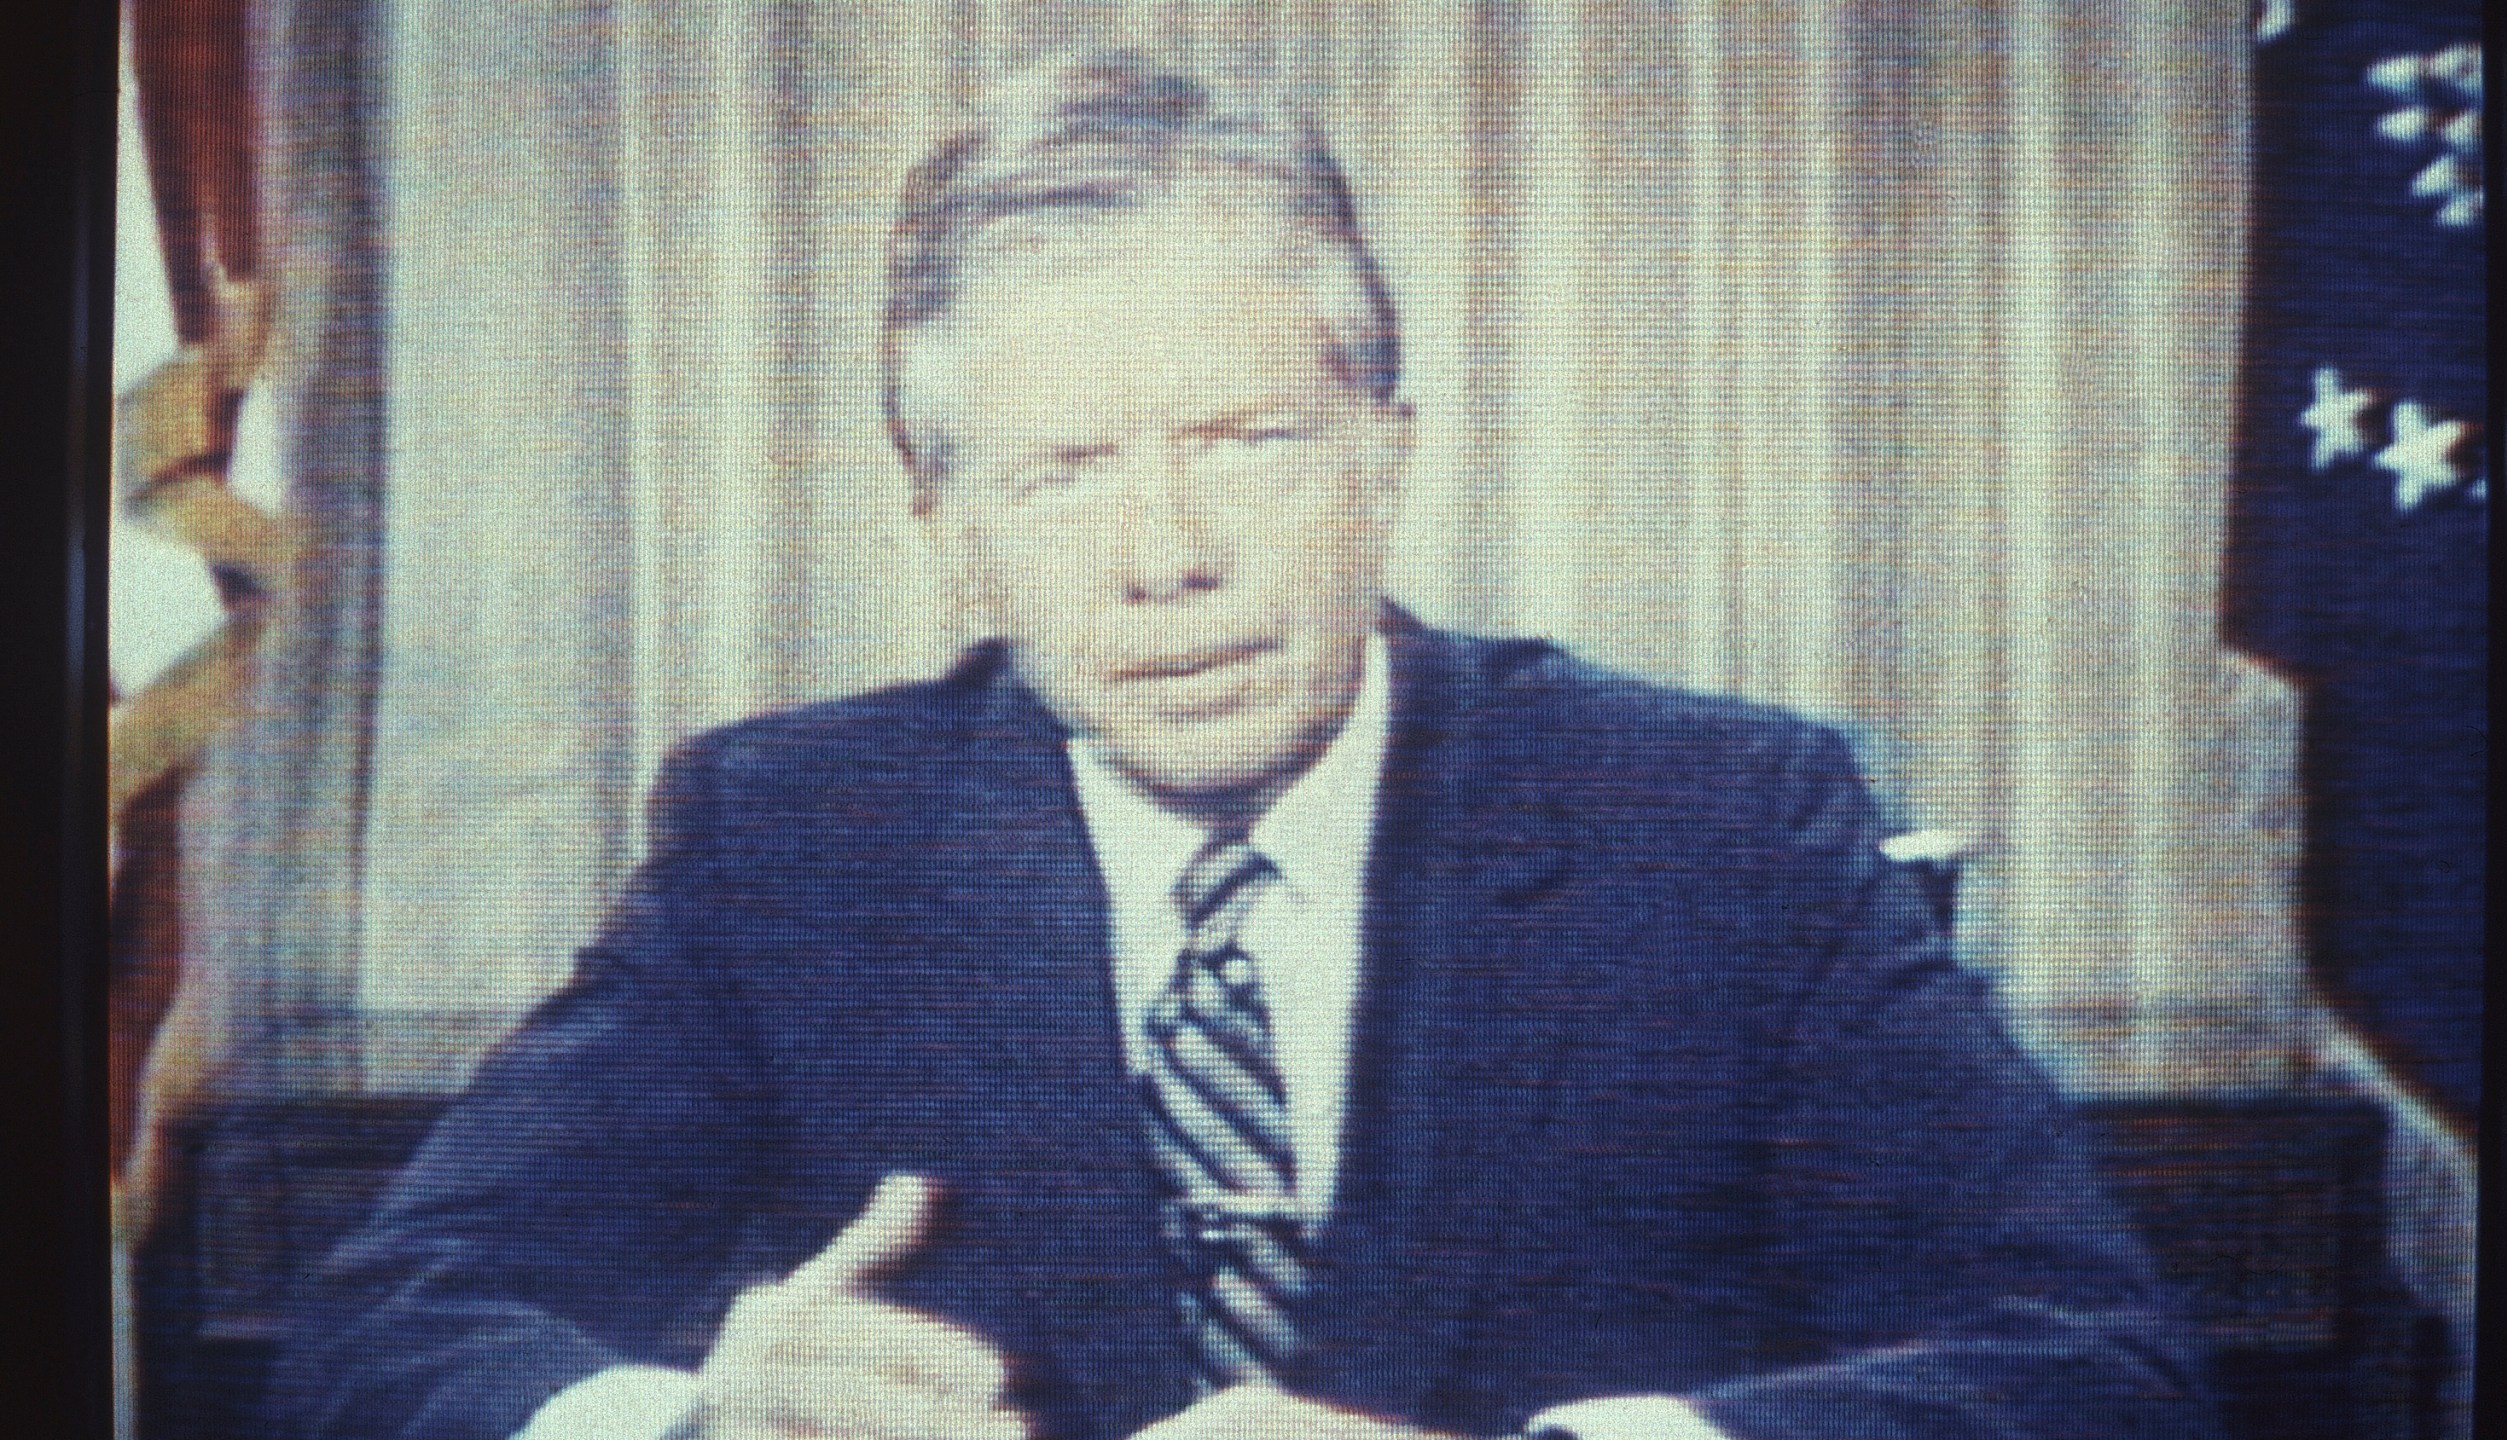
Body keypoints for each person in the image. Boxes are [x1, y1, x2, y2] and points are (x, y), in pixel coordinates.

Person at [272, 50, 2216, 1440]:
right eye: (1060, 475)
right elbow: (378, 1340)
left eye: (1245, 442)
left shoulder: (1712, 823)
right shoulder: (793, 841)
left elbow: (2096, 1374)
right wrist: (698, 1419)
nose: (1166, 560)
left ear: (1386, 442)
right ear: (939, 517)